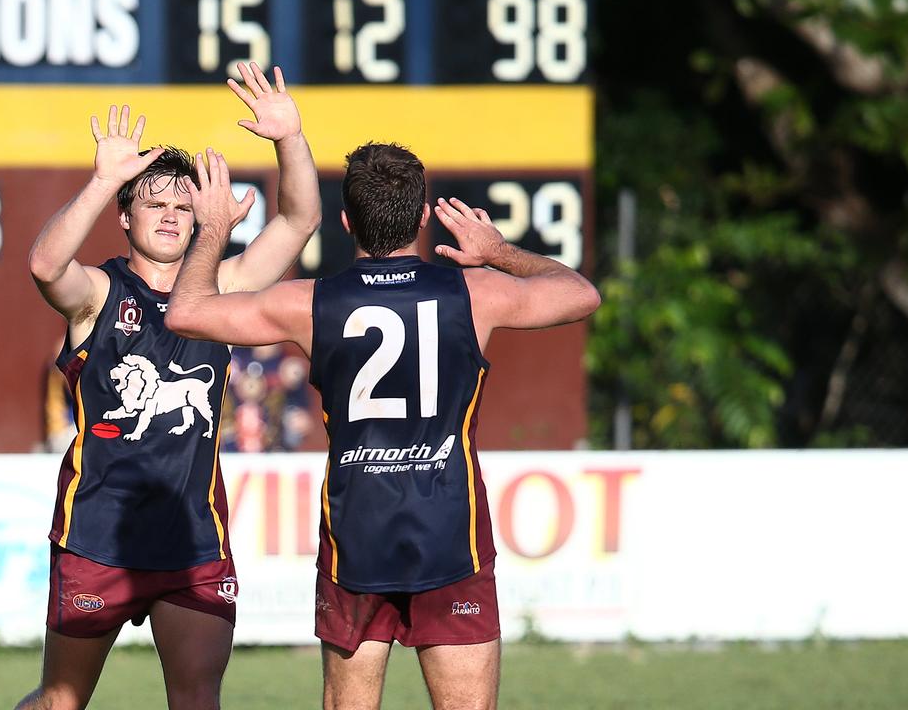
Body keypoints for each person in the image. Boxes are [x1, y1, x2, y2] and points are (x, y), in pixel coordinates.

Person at [166, 143, 601, 709]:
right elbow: (581, 294)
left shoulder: (308, 302)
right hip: (451, 534)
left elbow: (185, 312)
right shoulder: (476, 294)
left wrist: (213, 229)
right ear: (422, 217)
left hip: (357, 534)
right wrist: (498, 251)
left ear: (346, 221)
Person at [18, 62, 319, 710]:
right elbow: (45, 264)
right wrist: (104, 179)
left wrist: (289, 138)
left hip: (192, 538)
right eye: (154, 202)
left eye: (184, 206)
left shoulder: (221, 290)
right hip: (98, 531)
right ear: (125, 218)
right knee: (61, 701)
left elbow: (297, 221)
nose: (170, 214)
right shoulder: (99, 293)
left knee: (197, 700)